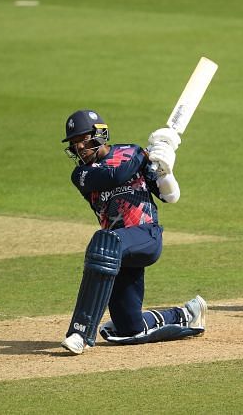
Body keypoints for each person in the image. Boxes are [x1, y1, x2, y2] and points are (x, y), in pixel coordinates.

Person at [59, 109, 207, 354]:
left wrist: (165, 169)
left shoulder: (130, 153)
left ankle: (80, 332)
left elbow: (171, 196)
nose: (79, 147)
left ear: (99, 135)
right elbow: (117, 174)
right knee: (129, 327)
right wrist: (144, 153)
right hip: (117, 254)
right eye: (74, 143)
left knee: (103, 241)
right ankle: (187, 314)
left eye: (83, 140)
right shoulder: (82, 174)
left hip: (145, 235)